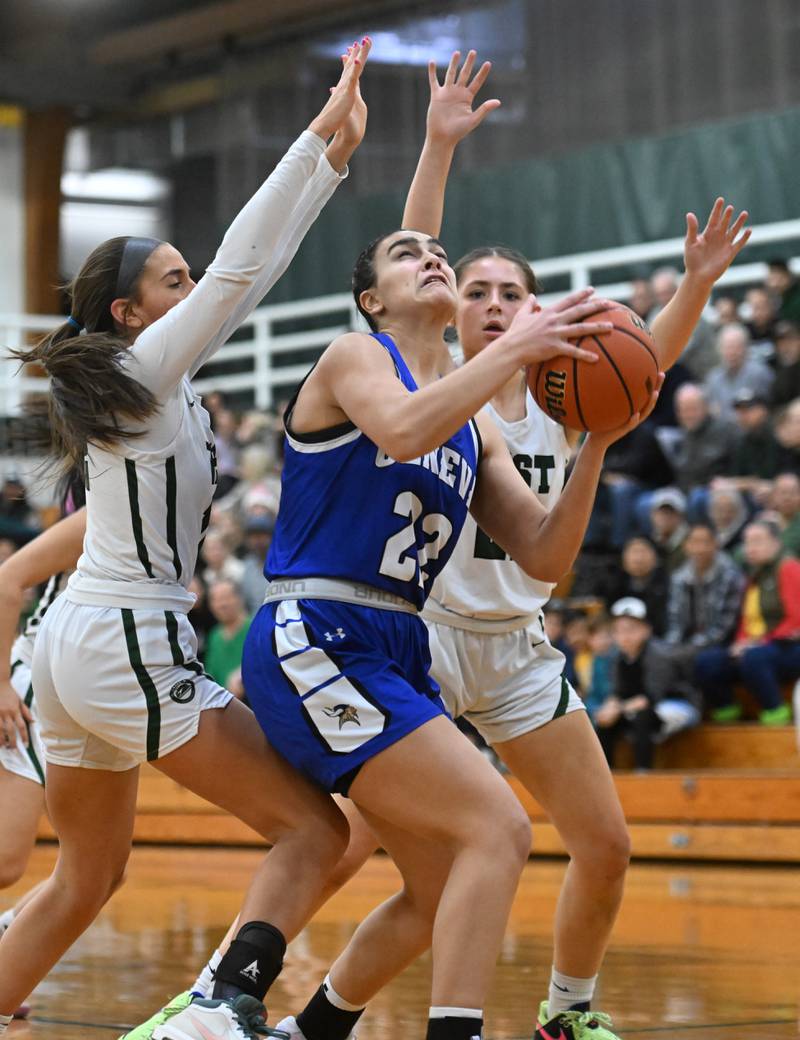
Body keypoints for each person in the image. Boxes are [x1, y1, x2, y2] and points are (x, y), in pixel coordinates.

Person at [133, 54, 750, 1040]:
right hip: (340, 629)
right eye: (467, 282)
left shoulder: (492, 418)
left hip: (426, 646)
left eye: (510, 289)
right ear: (401, 303)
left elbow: (546, 555)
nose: (476, 289)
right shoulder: (371, 361)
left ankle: (306, 1021)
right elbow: (411, 380)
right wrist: (435, 147)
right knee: (423, 837)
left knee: (442, 869)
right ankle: (212, 999)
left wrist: (598, 438)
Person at [0, 42, 372, 1040]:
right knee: (313, 827)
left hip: (72, 645)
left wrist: (331, 163)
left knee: (87, 875)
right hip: (125, 638)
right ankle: (216, 1008)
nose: (194, 282)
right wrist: (311, 142)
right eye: (174, 278)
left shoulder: (147, 383)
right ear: (129, 313)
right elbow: (248, 268)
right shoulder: (141, 367)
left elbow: (246, 271)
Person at [0, 475, 85, 1021]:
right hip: (36, 681)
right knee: (8, 858)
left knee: (100, 869)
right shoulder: (110, 505)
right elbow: (8, 581)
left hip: (85, 690)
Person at [694, 518, 800, 725]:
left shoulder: (789, 568)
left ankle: (776, 713)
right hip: (758, 647)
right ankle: (728, 713)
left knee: (754, 658)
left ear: (776, 543)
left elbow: (796, 619)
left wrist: (759, 643)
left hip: (788, 646)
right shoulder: (753, 575)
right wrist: (740, 643)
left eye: (758, 541)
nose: (751, 548)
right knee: (707, 662)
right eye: (748, 542)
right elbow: (747, 621)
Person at [595, 598, 701, 769]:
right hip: (638, 707)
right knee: (605, 722)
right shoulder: (616, 659)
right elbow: (617, 692)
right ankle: (607, 774)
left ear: (646, 630)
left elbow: (651, 697)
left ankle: (643, 772)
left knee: (642, 716)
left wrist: (619, 708)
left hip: (676, 705)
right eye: (618, 631)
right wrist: (608, 708)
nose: (624, 636)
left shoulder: (660, 655)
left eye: (631, 629)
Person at [664, 522, 745, 674]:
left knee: (700, 659)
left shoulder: (730, 576)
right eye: (695, 542)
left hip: (723, 644)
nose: (700, 549)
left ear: (716, 544)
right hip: (687, 642)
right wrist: (671, 646)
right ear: (686, 546)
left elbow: (724, 627)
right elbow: (674, 620)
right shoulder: (679, 577)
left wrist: (691, 646)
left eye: (705, 542)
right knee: (660, 656)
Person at [703, 322, 774, 421]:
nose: (732, 352)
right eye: (728, 347)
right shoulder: (713, 378)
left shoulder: (760, 373)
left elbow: (767, 409)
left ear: (746, 348)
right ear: (720, 350)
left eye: (737, 347)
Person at [204, 579, 252, 689]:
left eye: (226, 597)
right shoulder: (214, 636)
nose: (222, 604)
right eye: (216, 600)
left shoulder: (254, 628)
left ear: (239, 599)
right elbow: (210, 676)